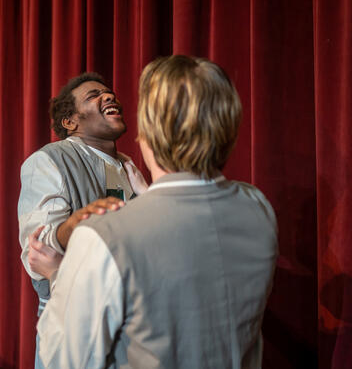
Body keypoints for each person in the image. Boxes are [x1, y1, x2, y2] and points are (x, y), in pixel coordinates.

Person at [32, 55, 278, 368]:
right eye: (95, 95)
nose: (109, 97)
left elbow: (59, 358)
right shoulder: (257, 207)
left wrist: (57, 276)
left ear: (146, 133)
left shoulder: (104, 238)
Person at [17, 73, 147, 367]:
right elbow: (35, 251)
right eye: (94, 95)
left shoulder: (129, 167)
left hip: (129, 321)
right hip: (72, 322)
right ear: (70, 122)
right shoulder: (48, 160)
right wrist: (77, 224)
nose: (109, 97)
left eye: (110, 93)